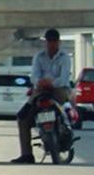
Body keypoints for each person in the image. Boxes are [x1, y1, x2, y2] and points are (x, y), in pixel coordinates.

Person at [16, 28, 77, 163]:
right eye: (49, 41)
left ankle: (67, 126)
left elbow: (64, 77)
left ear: (59, 42)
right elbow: (34, 76)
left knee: (66, 105)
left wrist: (52, 83)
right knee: (23, 118)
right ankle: (26, 154)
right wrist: (40, 82)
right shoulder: (39, 57)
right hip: (41, 90)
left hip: (59, 89)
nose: (52, 44)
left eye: (54, 41)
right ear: (46, 42)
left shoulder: (65, 58)